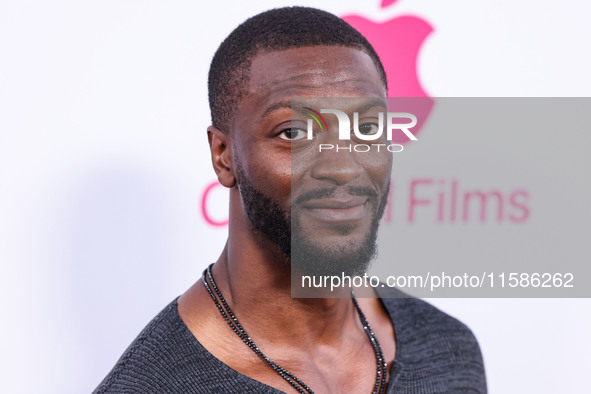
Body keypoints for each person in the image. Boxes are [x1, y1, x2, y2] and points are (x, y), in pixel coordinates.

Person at [94, 6, 486, 393]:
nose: (344, 167)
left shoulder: (448, 351)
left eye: (367, 129)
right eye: (294, 132)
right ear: (223, 154)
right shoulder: (150, 385)